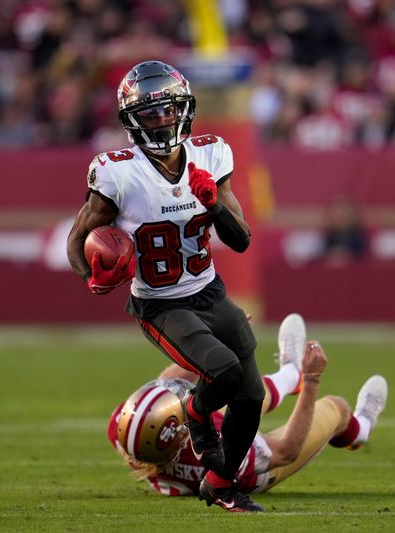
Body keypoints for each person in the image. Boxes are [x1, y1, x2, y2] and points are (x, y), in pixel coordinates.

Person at [67, 60, 264, 511]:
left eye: (169, 110)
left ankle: (220, 483)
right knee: (224, 371)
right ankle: (197, 411)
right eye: (151, 113)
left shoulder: (212, 155)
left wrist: (211, 203)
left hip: (209, 291)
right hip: (159, 304)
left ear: (185, 110)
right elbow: (77, 240)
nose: (162, 120)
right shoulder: (117, 172)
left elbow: (242, 239)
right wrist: (92, 279)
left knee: (249, 394)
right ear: (132, 121)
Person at [108, 313, 388, 506]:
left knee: (238, 391)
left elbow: (171, 381)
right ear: (181, 436)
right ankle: (359, 429)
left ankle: (290, 374)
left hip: (184, 455)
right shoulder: (217, 455)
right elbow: (285, 449)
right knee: (335, 407)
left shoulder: (128, 430)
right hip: (254, 472)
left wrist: (214, 340)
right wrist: (312, 380)